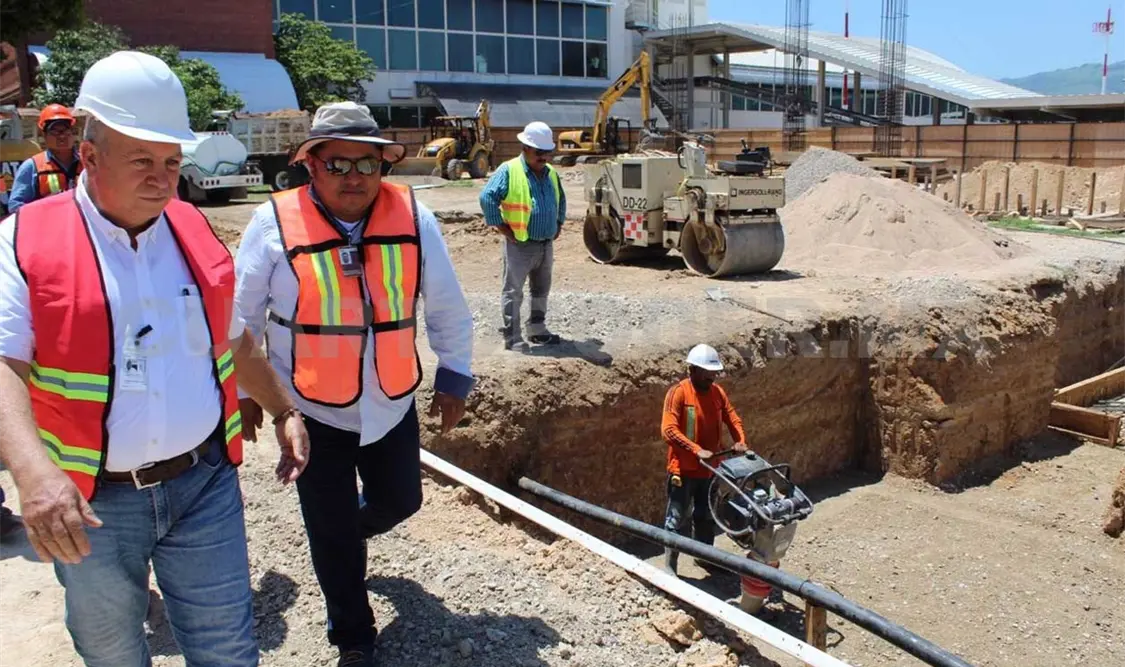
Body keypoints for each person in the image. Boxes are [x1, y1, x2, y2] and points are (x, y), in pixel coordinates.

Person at [0, 50, 310, 667]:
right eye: (141, 160)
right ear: (90, 155)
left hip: (203, 484)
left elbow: (232, 338)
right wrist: (34, 477)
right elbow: (5, 366)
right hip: (91, 503)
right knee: (113, 653)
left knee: (228, 650)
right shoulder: (24, 240)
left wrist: (283, 410)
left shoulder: (192, 227)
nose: (163, 178)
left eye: (171, 161)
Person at [234, 101, 474, 667]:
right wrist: (245, 394)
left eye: (367, 164)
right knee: (330, 531)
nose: (354, 177)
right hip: (308, 408)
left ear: (382, 166)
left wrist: (454, 373)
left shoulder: (415, 218)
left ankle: (350, 532)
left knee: (401, 500)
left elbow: (445, 303)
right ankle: (354, 638)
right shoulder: (272, 223)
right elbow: (240, 318)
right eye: (337, 164)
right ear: (310, 165)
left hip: (390, 400)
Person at [660, 343, 748, 574]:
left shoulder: (717, 393)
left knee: (706, 516)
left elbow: (732, 418)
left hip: (710, 470)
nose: (713, 377)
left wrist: (740, 440)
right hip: (684, 470)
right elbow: (668, 430)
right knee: (676, 518)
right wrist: (695, 450)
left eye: (714, 372)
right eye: (708, 372)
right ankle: (670, 565)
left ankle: (704, 558)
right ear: (693, 370)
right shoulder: (679, 393)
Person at [479, 121, 566, 351]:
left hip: (545, 244)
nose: (544, 157)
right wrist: (503, 228)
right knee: (513, 291)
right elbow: (487, 197)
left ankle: (537, 330)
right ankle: (513, 337)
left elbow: (561, 199)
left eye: (547, 152)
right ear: (525, 148)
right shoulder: (509, 170)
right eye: (539, 152)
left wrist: (558, 222)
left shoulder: (551, 173)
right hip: (520, 244)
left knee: (541, 290)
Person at [7, 104, 83, 213]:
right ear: (44, 135)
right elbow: (15, 206)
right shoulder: (32, 167)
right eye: (55, 132)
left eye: (66, 130)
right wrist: (46, 204)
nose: (62, 136)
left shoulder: (88, 164)